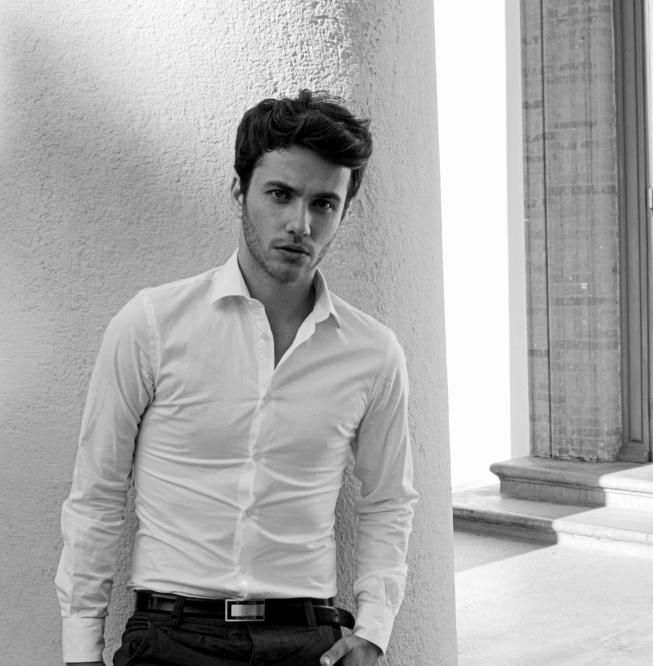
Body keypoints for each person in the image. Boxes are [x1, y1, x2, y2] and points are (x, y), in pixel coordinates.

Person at [55, 90, 419, 666]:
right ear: (239, 191)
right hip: (171, 638)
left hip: (307, 640)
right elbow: (96, 493)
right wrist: (80, 650)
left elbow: (387, 501)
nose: (300, 224)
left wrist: (374, 631)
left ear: (343, 212)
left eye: (324, 204)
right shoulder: (152, 324)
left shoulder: (373, 353)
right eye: (280, 194)